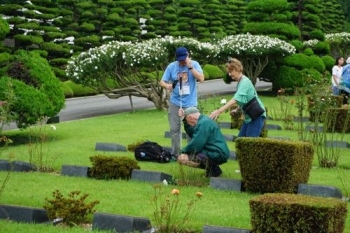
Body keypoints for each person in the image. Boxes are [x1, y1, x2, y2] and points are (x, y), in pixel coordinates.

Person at [159, 47, 204, 156]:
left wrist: (191, 68)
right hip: (175, 102)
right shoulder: (172, 66)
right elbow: (161, 81)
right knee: (174, 130)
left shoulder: (195, 64)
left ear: (188, 55)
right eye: (180, 60)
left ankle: (191, 154)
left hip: (190, 103)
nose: (182, 61)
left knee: (191, 129)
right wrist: (167, 85)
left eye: (184, 59)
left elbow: (201, 78)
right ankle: (176, 154)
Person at [209, 58, 266, 137]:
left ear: (238, 69)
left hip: (256, 116)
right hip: (249, 117)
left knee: (249, 144)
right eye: (229, 72)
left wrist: (218, 111)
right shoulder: (240, 82)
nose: (229, 74)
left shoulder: (245, 82)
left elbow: (235, 99)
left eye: (231, 71)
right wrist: (237, 109)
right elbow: (244, 99)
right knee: (240, 141)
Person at [177, 107, 230, 177]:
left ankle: (213, 169)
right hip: (216, 151)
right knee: (188, 156)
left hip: (216, 153)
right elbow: (193, 133)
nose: (189, 123)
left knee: (182, 158)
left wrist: (183, 151)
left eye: (187, 121)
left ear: (190, 117)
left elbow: (196, 145)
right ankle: (214, 169)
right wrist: (184, 120)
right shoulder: (203, 120)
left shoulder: (203, 123)